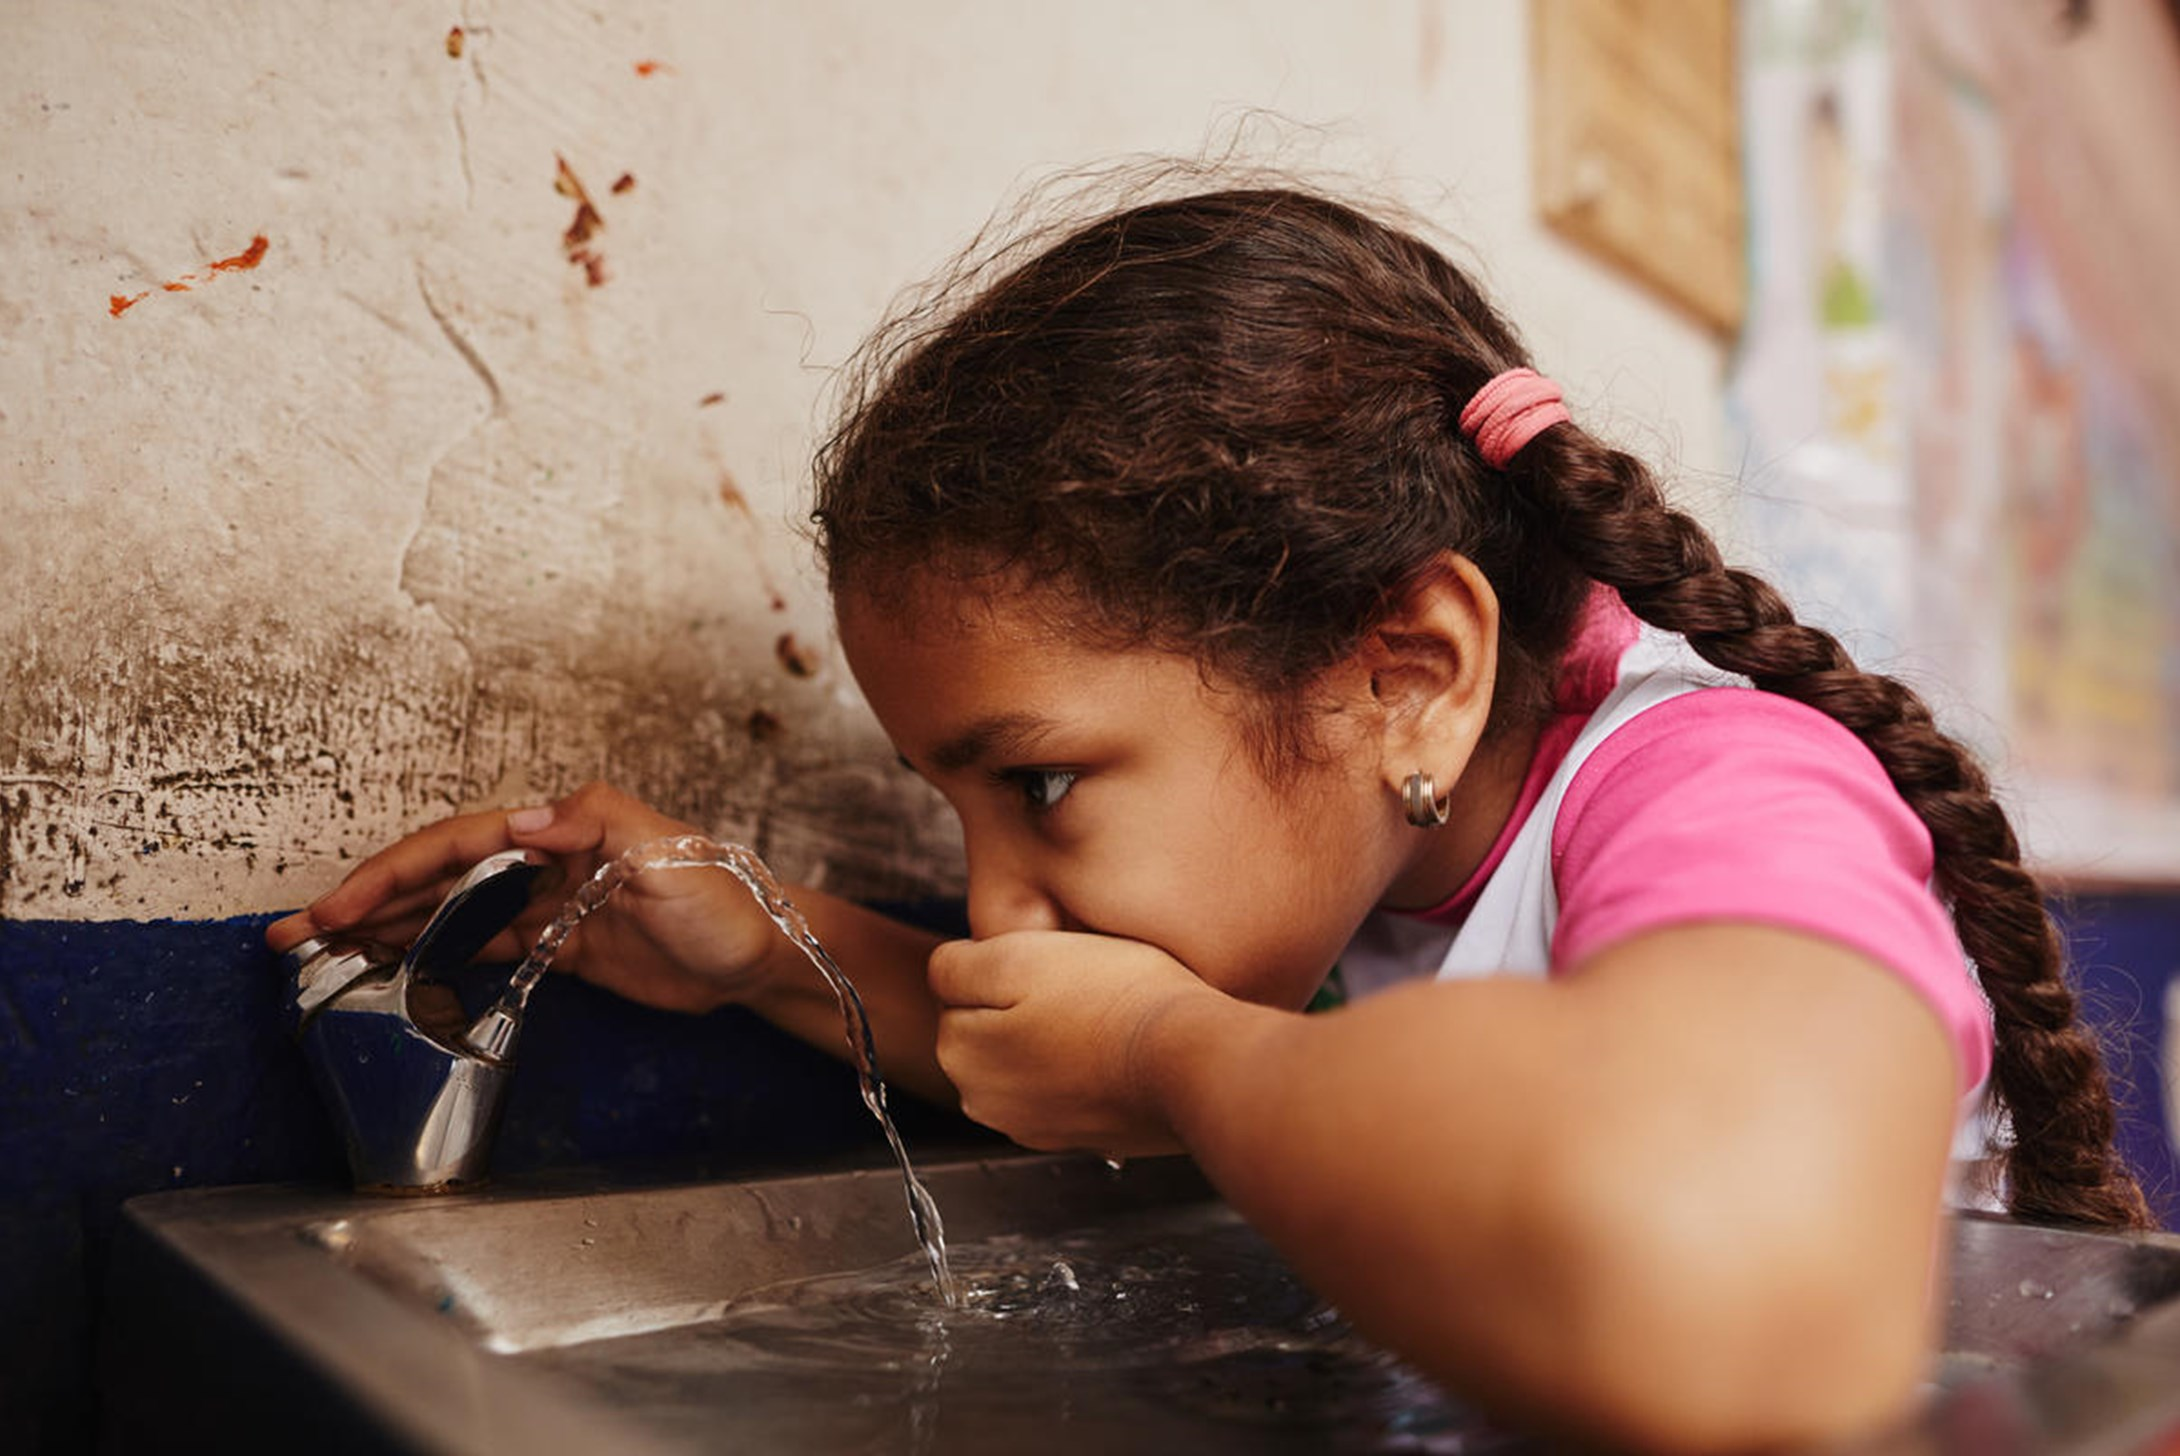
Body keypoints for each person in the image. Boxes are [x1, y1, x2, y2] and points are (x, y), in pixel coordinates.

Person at [267, 183, 2148, 1451]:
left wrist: (1176, 1052)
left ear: (1405, 669)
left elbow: (1730, 1294)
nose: (1003, 911)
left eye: (1045, 784)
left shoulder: (1720, 786)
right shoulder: (1375, 830)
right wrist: (774, 948)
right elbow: (1083, 1045)